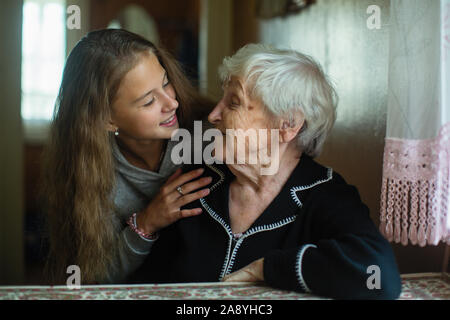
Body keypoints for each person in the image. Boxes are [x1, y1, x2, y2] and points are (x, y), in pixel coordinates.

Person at [131, 44, 402, 299]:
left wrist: (266, 269)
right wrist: (144, 226)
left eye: (234, 102)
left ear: (288, 124)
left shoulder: (324, 194)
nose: (214, 114)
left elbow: (379, 276)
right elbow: (143, 285)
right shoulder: (197, 181)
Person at [41, 29, 214, 284]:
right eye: (148, 102)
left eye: (166, 82)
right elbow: (93, 279)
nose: (171, 103)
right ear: (107, 120)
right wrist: (145, 223)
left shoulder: (207, 131)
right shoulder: (87, 175)